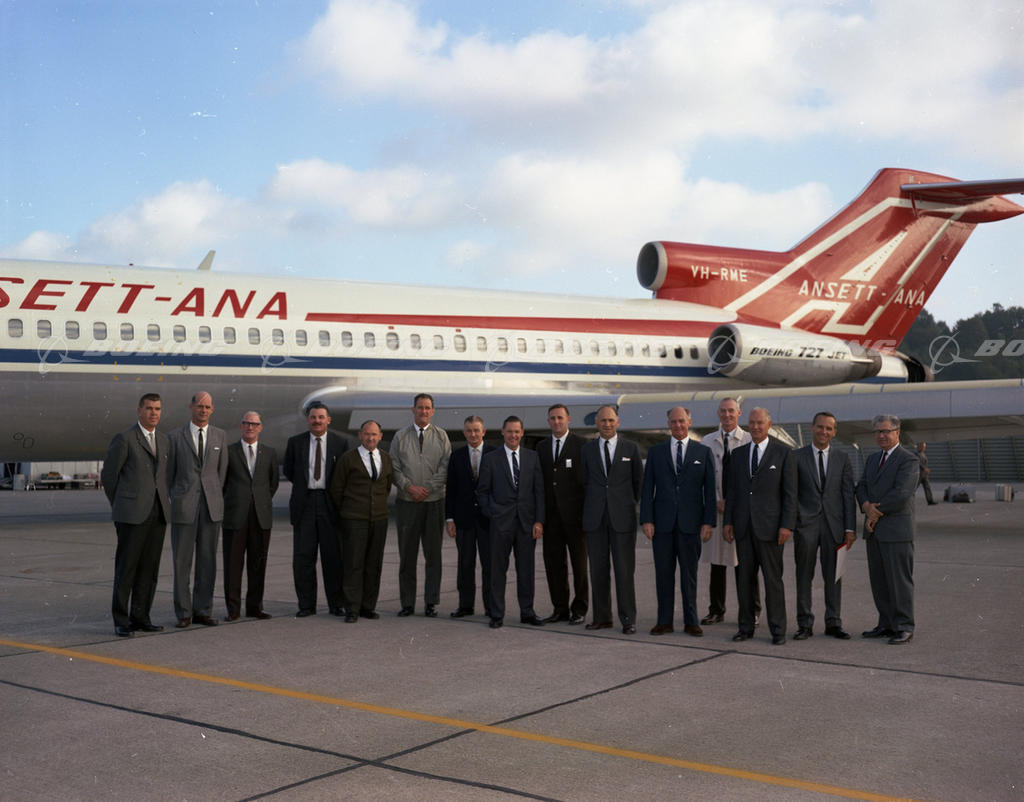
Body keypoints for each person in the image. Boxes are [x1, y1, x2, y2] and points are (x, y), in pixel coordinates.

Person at [640, 407, 717, 636]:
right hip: (662, 525)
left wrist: (709, 522)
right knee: (663, 575)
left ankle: (691, 621)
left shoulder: (703, 452)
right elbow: (647, 489)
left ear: (689, 422)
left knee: (689, 576)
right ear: (668, 424)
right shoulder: (656, 452)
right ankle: (664, 621)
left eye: (682, 421)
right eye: (674, 422)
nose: (678, 425)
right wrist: (647, 519)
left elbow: (709, 491)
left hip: (690, 525)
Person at [723, 407, 797, 645]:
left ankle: (778, 630)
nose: (755, 427)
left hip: (771, 530)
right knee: (744, 580)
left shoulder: (783, 453)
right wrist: (728, 522)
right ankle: (745, 627)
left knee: (773, 581)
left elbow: (790, 494)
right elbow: (732, 491)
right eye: (752, 423)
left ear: (769, 425)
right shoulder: (738, 454)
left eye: (760, 423)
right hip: (744, 528)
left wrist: (786, 525)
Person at [101, 393, 171, 637]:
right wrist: (121, 504)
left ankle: (141, 617)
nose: (154, 413)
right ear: (139, 410)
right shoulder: (125, 438)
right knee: (126, 569)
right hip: (131, 514)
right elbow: (109, 476)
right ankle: (121, 620)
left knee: (149, 570)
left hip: (158, 513)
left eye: (157, 409)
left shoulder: (164, 440)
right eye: (149, 408)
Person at [476, 416, 545, 629]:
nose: (513, 435)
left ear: (522, 433)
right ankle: (497, 613)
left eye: (517, 431)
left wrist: (539, 521)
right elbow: (482, 492)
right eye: (509, 431)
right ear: (502, 432)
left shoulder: (532, 457)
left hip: (526, 524)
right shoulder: (491, 459)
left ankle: (527, 612)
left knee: (526, 571)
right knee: (497, 571)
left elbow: (539, 492)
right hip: (500, 524)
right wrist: (493, 513)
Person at [792, 412, 856, 640]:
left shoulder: (842, 458)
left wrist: (850, 528)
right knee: (803, 576)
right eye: (820, 427)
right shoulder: (796, 457)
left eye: (829, 428)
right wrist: (794, 522)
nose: (824, 432)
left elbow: (848, 495)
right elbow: (791, 493)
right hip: (805, 526)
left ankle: (833, 622)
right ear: (812, 428)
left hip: (834, 527)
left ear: (834, 432)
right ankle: (804, 624)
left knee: (834, 577)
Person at [856, 415, 919, 644]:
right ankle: (886, 624)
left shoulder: (908, 459)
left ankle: (904, 626)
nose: (881, 435)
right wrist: (865, 506)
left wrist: (873, 513)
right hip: (875, 532)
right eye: (878, 432)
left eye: (886, 431)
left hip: (896, 531)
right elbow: (861, 486)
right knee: (880, 581)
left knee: (899, 581)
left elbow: (901, 494)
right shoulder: (873, 459)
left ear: (897, 432)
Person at [167, 391, 228, 628]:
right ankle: (183, 612)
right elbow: (169, 475)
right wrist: (179, 498)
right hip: (184, 507)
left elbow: (221, 473)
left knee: (207, 561)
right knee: (181, 562)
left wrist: (212, 495)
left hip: (211, 508)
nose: (203, 410)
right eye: (200, 406)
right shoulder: (175, 437)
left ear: (212, 410)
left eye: (207, 407)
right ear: (191, 407)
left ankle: (203, 610)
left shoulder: (220, 436)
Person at [580, 405, 643, 634]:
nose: (607, 424)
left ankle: (628, 619)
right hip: (595, 519)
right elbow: (584, 481)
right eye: (603, 420)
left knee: (624, 571)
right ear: (596, 422)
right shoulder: (587, 450)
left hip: (622, 519)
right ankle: (602, 617)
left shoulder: (631, 448)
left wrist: (624, 504)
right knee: (598, 570)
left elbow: (638, 483)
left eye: (611, 420)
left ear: (617, 422)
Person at [283, 401, 350, 617]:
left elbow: (343, 474)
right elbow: (290, 471)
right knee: (303, 558)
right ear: (307, 420)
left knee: (333, 558)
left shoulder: (340, 443)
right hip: (305, 504)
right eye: (313, 417)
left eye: (321, 417)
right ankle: (306, 605)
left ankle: (336, 604)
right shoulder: (296, 443)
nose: (317, 421)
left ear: (328, 420)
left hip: (330, 504)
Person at [699, 397, 761, 627]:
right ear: (718, 413)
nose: (727, 415)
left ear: (739, 413)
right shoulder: (707, 441)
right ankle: (716, 610)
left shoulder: (749, 439)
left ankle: (751, 610)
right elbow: (704, 477)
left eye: (731, 411)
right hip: (716, 509)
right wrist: (716, 500)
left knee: (745, 563)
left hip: (742, 511)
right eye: (723, 411)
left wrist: (733, 505)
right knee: (717, 563)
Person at [390, 393, 451, 617]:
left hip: (434, 503)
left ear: (432, 411)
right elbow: (394, 467)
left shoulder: (442, 436)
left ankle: (431, 602)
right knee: (407, 556)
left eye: (427, 408)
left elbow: (446, 466)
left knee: (433, 555)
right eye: (420, 407)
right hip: (408, 503)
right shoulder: (400, 437)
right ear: (413, 410)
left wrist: (427, 488)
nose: (423, 411)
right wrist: (410, 487)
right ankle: (407, 603)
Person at [329, 420, 393, 623]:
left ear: (380, 436)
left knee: (374, 564)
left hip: (379, 519)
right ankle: (352, 608)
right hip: (354, 519)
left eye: (374, 434)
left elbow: (386, 487)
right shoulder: (348, 459)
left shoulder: (385, 458)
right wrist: (349, 510)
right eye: (367, 434)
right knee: (353, 564)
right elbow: (337, 489)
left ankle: (367, 607)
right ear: (360, 435)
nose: (370, 438)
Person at [221, 410, 279, 621]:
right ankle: (233, 609)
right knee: (232, 565)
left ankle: (255, 607)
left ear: (260, 428)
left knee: (257, 564)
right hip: (235, 516)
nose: (250, 427)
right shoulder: (229, 452)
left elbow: (272, 483)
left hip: (260, 517)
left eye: (254, 424)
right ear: (241, 426)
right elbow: (223, 482)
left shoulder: (269, 453)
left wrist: (259, 501)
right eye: (246, 423)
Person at [536, 403, 588, 625]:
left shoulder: (582, 445)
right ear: (548, 421)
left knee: (580, 567)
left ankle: (580, 608)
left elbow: (587, 482)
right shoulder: (541, 447)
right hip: (551, 519)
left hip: (576, 519)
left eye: (560, 417)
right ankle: (560, 609)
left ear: (568, 419)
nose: (556, 421)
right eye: (553, 418)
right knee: (554, 566)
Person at [445, 415, 496, 618]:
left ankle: (491, 606)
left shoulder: (495, 454)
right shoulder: (456, 456)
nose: (473, 434)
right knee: (465, 564)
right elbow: (451, 490)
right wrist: (450, 519)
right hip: (464, 520)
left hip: (488, 520)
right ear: (464, 433)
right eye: (469, 430)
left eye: (476, 430)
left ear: (483, 432)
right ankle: (465, 605)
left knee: (489, 565)